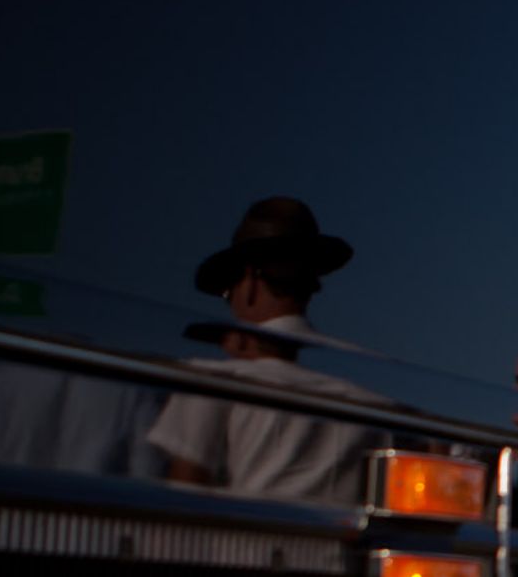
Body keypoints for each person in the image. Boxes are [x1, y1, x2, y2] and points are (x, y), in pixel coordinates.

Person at [148, 197, 387, 506]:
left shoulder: (211, 378)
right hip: (340, 553)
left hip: (244, 550)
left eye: (225, 291)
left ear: (248, 282)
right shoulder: (376, 381)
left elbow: (184, 493)